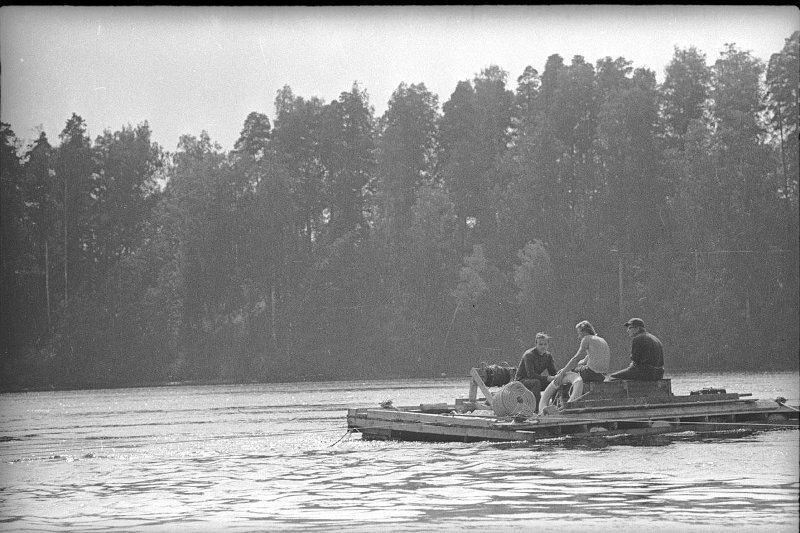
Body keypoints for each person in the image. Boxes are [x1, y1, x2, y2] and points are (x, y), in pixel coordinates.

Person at [537, 320, 611, 413]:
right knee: (571, 372)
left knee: (562, 375)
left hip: (590, 373)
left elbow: (576, 358)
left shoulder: (586, 339)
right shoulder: (600, 340)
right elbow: (585, 360)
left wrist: (562, 373)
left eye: (579, 333)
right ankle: (562, 402)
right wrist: (579, 364)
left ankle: (555, 405)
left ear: (584, 331)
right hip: (601, 376)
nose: (578, 336)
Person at [514, 332, 558, 411]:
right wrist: (547, 378)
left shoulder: (548, 356)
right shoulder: (529, 355)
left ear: (548, 345)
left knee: (555, 382)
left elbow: (553, 372)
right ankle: (536, 409)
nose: (543, 346)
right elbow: (530, 375)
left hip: (535, 380)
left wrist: (560, 375)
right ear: (536, 344)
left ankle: (555, 407)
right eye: (540, 344)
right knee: (536, 382)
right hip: (521, 381)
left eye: (545, 344)